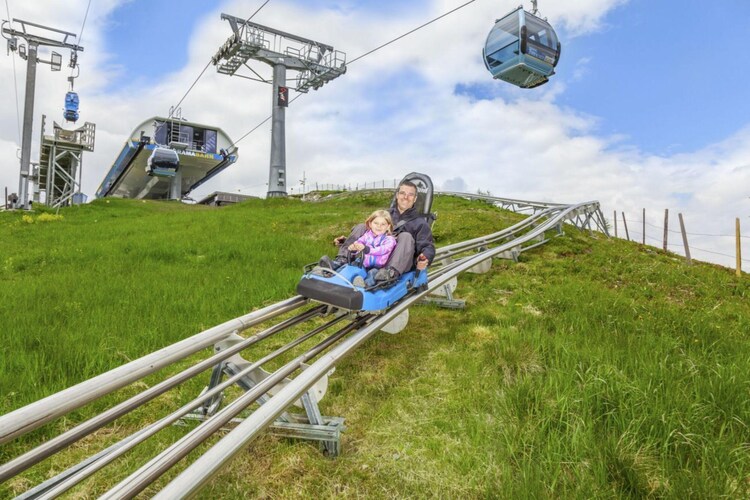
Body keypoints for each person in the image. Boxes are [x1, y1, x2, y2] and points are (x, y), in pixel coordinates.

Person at [330, 180, 436, 283]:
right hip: (374, 255)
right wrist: (346, 241)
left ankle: (390, 273)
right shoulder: (385, 215)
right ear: (397, 195)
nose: (405, 197)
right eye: (402, 193)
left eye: (410, 194)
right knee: (361, 226)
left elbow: (428, 246)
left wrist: (425, 256)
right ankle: (342, 259)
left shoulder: (420, 223)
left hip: (398, 261)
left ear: (415, 198)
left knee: (405, 236)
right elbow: (369, 235)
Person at [346, 210, 397, 287]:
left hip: (378, 266)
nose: (379, 226)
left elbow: (383, 250)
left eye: (383, 224)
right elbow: (360, 242)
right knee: (353, 265)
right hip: (363, 263)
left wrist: (368, 250)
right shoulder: (367, 235)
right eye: (376, 223)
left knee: (372, 273)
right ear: (370, 224)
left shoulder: (389, 240)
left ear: (388, 226)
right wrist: (354, 247)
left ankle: (365, 285)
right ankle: (340, 276)